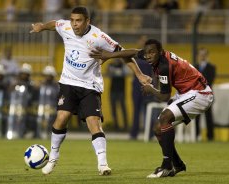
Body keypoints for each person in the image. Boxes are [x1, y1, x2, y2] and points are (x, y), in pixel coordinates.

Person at [30, 6, 151, 176]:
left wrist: (139, 75)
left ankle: (103, 165)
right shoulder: (65, 26)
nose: (74, 24)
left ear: (88, 21)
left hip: (90, 85)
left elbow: (123, 54)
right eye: (72, 20)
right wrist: (41, 27)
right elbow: (55, 24)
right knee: (61, 117)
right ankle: (53, 158)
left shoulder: (99, 37)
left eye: (78, 21)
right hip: (68, 82)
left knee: (93, 122)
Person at [90, 39, 214, 178]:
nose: (148, 56)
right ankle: (177, 164)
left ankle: (166, 166)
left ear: (160, 52)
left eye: (152, 53)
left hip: (200, 93)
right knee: (158, 129)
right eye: (146, 53)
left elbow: (164, 96)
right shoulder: (153, 56)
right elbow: (131, 52)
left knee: (165, 118)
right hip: (186, 92)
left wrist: (151, 89)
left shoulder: (164, 66)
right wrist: (109, 55)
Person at [194, 48, 216, 141]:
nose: (202, 56)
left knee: (208, 116)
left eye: (204, 54)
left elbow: (210, 81)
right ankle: (196, 135)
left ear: (207, 55)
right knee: (196, 116)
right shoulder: (195, 67)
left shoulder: (212, 67)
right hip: (197, 95)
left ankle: (210, 136)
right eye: (201, 54)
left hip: (207, 95)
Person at [107, 59, 129, 131]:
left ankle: (125, 126)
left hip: (121, 90)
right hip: (112, 90)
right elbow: (108, 73)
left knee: (123, 108)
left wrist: (116, 71)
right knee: (113, 109)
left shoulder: (123, 65)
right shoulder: (111, 65)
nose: (116, 60)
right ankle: (116, 125)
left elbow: (127, 72)